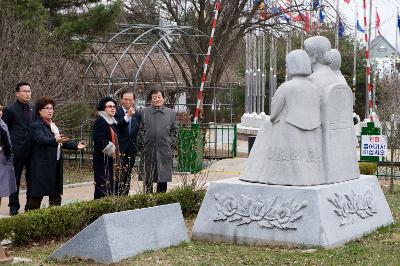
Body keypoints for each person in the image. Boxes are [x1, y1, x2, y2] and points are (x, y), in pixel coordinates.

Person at [240, 50, 323, 185]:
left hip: (288, 131)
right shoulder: (314, 88)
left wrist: (272, 119)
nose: (286, 67)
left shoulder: (286, 87)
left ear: (293, 65)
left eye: (287, 64)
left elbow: (275, 112)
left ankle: (255, 172)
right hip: (312, 133)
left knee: (267, 128)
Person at [25, 97, 86, 211]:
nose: (50, 111)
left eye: (52, 108)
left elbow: (61, 140)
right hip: (41, 167)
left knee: (56, 197)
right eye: (47, 108)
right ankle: (28, 222)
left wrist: (75, 146)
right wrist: (55, 140)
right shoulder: (36, 125)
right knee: (36, 198)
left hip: (55, 165)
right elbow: (41, 139)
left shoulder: (52, 125)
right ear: (39, 110)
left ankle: (54, 221)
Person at [2, 82, 36, 215]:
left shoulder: (33, 108)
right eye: (24, 91)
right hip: (16, 151)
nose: (28, 93)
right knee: (14, 179)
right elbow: (4, 130)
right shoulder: (10, 110)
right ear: (17, 93)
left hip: (32, 150)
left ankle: (30, 205)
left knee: (31, 178)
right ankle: (14, 207)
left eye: (29, 91)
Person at [139, 89, 177, 193]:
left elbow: (174, 130)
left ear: (163, 98)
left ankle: (161, 203)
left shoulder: (171, 113)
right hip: (148, 149)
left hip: (164, 149)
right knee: (148, 179)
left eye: (159, 97)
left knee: (162, 178)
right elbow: (139, 129)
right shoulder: (143, 112)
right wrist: (143, 141)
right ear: (151, 100)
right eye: (154, 97)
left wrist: (169, 141)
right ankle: (148, 202)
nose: (157, 99)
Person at [114, 90, 141, 195]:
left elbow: (138, 131)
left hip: (131, 150)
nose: (128, 101)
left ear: (134, 101)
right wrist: (127, 116)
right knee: (117, 175)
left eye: (130, 99)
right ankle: (115, 197)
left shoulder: (137, 114)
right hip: (118, 149)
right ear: (121, 100)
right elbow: (116, 126)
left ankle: (125, 196)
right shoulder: (115, 112)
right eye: (125, 99)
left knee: (127, 174)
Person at [93, 96, 120, 199]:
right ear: (103, 108)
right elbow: (98, 139)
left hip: (110, 159)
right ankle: (98, 210)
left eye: (114, 106)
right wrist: (112, 150)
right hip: (102, 160)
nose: (113, 108)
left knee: (110, 185)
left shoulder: (112, 122)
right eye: (109, 106)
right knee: (102, 186)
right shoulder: (101, 120)